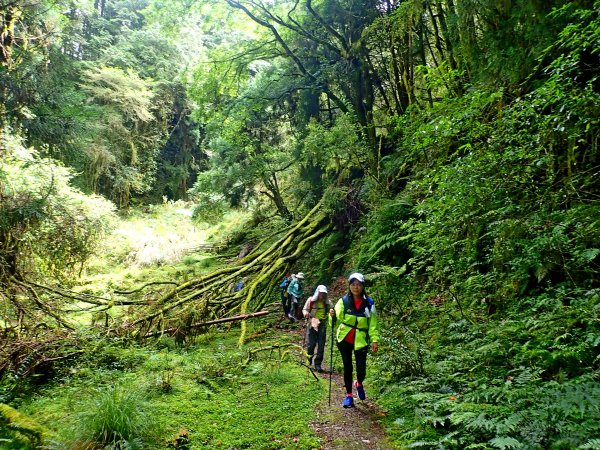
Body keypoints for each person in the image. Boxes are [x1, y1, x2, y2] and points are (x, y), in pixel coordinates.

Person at [329, 272, 380, 408]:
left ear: (363, 286)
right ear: (349, 286)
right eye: (353, 284)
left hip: (361, 339)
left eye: (358, 285)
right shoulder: (344, 301)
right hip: (344, 338)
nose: (355, 287)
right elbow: (335, 320)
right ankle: (349, 395)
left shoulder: (369, 303)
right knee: (347, 366)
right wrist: (332, 315)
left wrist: (374, 340)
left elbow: (373, 323)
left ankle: (359, 383)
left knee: (361, 368)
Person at [302, 285, 332, 372]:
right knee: (311, 344)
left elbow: (333, 311)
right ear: (317, 293)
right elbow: (305, 309)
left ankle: (318, 365)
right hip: (312, 323)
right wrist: (306, 314)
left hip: (322, 324)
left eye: (323, 293)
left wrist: (332, 312)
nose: (322, 295)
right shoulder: (311, 300)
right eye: (320, 293)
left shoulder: (328, 303)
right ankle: (309, 359)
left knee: (321, 345)